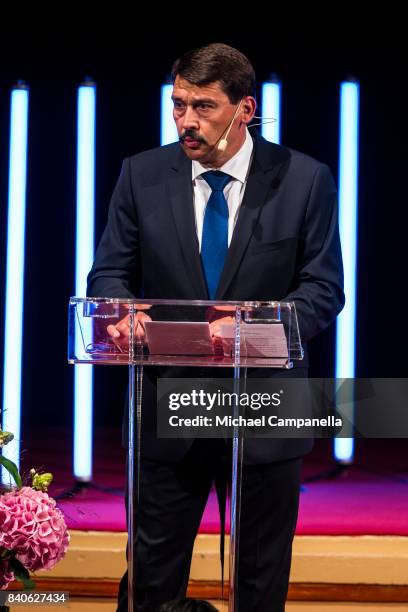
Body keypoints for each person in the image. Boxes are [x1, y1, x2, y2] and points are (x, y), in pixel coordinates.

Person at [87, 43, 344, 612]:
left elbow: (323, 288)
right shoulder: (141, 174)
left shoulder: (304, 180)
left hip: (264, 414)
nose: (185, 121)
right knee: (151, 586)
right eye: (178, 105)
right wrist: (122, 311)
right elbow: (110, 272)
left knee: (258, 588)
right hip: (166, 410)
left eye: (202, 106)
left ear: (245, 109)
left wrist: (255, 331)